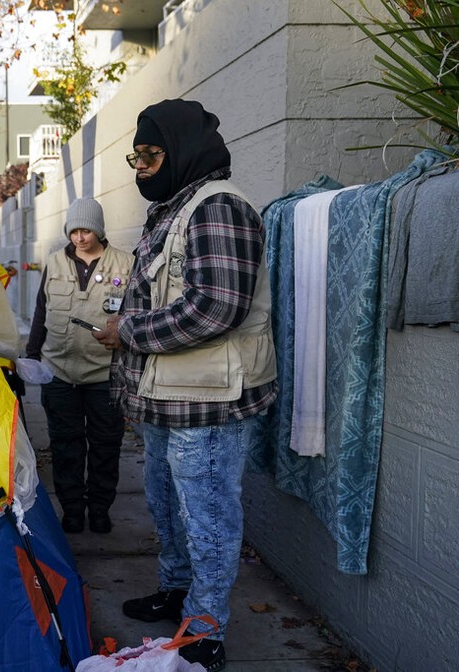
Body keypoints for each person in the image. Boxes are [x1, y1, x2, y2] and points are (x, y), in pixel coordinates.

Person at [92, 99, 277, 671]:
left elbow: (214, 309)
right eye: (137, 155)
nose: (140, 167)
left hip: (212, 402)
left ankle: (205, 629)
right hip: (171, 399)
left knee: (210, 518)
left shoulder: (218, 208)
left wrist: (128, 330)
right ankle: (177, 593)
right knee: (167, 506)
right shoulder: (173, 210)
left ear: (183, 152)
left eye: (150, 155)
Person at [24, 197, 133, 534]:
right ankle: (72, 511)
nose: (80, 238)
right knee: (65, 445)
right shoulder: (54, 263)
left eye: (86, 231)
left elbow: (135, 315)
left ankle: (100, 510)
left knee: (105, 445)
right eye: (74, 231)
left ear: (98, 230)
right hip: (60, 373)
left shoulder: (125, 264)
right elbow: (41, 312)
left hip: (105, 375)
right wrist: (30, 354)